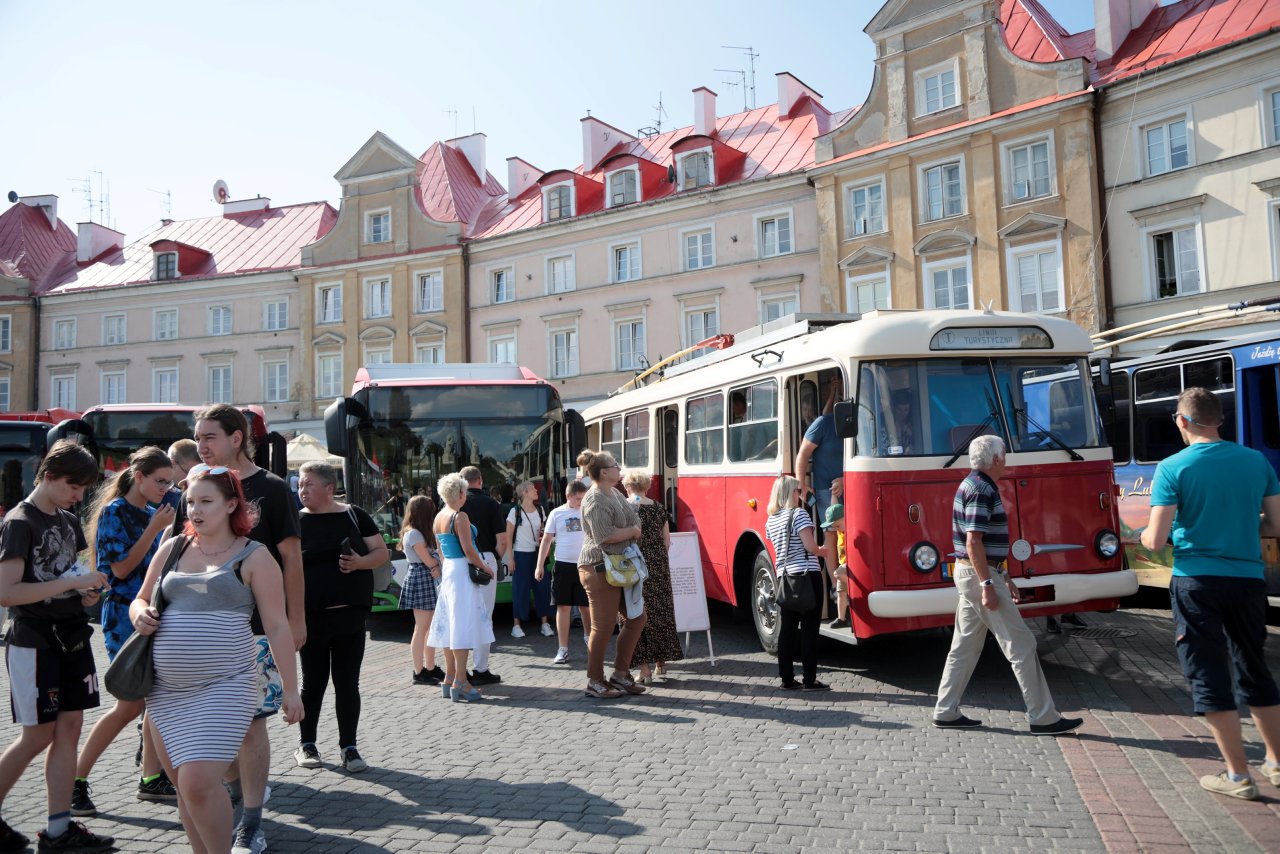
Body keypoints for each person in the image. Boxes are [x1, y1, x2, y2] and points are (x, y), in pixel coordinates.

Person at [131, 465, 302, 854]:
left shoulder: (255, 556)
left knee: (197, 783)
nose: (195, 509)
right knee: (184, 790)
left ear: (231, 505)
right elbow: (139, 598)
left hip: (226, 687)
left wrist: (291, 690)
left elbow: (277, 627)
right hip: (164, 693)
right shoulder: (172, 547)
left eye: (206, 501)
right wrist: (139, 613)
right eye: (190, 501)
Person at [172, 404, 303, 854]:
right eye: (197, 436)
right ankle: (233, 794)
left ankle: (251, 821)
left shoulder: (271, 488)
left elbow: (290, 557)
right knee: (215, 739)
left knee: (250, 728)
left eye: (208, 436)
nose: (200, 445)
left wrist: (296, 618)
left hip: (254, 630)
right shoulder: (193, 487)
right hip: (193, 642)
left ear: (236, 438)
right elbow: (178, 551)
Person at [1139, 387, 1280, 800]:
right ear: (1220, 420)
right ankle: (1275, 762)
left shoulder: (1172, 467)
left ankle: (1238, 776)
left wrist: (1148, 536)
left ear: (1183, 421)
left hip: (1196, 582)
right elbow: (1275, 525)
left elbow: (1156, 538)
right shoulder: (1255, 461)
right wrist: (1235, 527)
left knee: (1208, 674)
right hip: (1248, 581)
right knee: (1255, 666)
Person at [0, 440, 114, 852]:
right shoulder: (19, 522)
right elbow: (7, 593)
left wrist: (86, 594)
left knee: (69, 729)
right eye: (73, 487)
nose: (79, 496)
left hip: (71, 638)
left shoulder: (66, 521)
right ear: (48, 476)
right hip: (34, 642)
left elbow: (76, 574)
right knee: (37, 736)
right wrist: (71, 584)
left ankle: (59, 828)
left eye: (83, 489)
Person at [933, 434, 1082, 735]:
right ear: (997, 459)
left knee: (963, 647)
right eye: (1005, 455)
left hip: (974, 574)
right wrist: (989, 582)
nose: (1007, 460)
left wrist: (1002, 576)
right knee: (1022, 645)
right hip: (979, 576)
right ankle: (1043, 717)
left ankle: (946, 711)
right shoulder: (982, 489)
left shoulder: (972, 484)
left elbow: (977, 542)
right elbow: (974, 540)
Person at [72, 447, 179, 818]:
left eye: (170, 482)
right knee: (130, 704)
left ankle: (151, 779)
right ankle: (76, 780)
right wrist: (154, 530)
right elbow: (119, 570)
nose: (166, 488)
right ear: (139, 476)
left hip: (150, 614)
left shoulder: (153, 513)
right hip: (121, 615)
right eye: (160, 481)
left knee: (155, 698)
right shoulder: (115, 512)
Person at [295, 461, 387, 774]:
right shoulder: (295, 522)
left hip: (350, 617)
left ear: (329, 488)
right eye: (300, 485)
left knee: (347, 683)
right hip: (311, 619)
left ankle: (349, 747)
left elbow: (381, 552)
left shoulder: (354, 514)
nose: (302, 490)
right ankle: (307, 744)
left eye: (308, 484)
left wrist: (360, 563)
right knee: (313, 684)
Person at [576, 450, 647, 699]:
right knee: (603, 627)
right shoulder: (595, 499)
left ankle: (620, 674)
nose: (620, 469)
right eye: (616, 465)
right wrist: (632, 532)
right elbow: (604, 536)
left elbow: (632, 519)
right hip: (598, 567)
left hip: (620, 566)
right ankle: (594, 680)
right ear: (604, 472)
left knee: (637, 618)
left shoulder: (614, 493)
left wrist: (631, 528)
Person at [428, 473, 495, 702]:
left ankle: (449, 678)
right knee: (462, 627)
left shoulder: (439, 517)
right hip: (461, 571)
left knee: (450, 625)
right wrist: (486, 567)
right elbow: (469, 550)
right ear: (460, 493)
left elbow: (440, 550)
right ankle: (461, 681)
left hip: (449, 571)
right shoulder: (460, 516)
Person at [765, 475, 827, 691]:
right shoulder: (799, 514)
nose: (800, 494)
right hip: (806, 576)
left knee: (787, 630)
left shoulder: (771, 520)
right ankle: (810, 679)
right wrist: (824, 551)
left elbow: (778, 548)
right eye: (797, 491)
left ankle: (787, 678)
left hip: (784, 577)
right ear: (789, 493)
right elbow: (810, 547)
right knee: (810, 628)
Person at [622, 470, 683, 684]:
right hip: (658, 567)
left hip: (634, 568)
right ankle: (661, 663)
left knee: (636, 613)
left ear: (628, 486)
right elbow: (667, 542)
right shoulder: (658, 508)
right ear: (647, 487)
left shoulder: (627, 507)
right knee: (660, 613)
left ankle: (644, 669)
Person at [460, 466, 508, 686]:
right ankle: (481, 668)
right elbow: (503, 540)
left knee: (463, 615)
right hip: (485, 559)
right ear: (480, 480)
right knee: (484, 615)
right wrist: (494, 559)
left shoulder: (455, 503)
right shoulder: (491, 503)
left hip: (459, 562)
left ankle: (459, 671)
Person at [535, 480, 592, 664]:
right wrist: (540, 565)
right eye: (577, 499)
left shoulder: (587, 511)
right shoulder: (556, 513)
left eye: (583, 498)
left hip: (584, 564)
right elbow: (546, 541)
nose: (580, 502)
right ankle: (563, 648)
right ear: (568, 496)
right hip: (563, 565)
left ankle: (590, 640)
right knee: (563, 607)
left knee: (586, 607)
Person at [399, 495, 445, 686]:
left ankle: (429, 667)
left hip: (423, 577)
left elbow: (433, 561)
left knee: (427, 628)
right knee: (422, 628)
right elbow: (430, 561)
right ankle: (419, 671)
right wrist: (437, 562)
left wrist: (436, 564)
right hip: (421, 578)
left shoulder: (416, 533)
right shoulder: (415, 534)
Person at [794, 375, 843, 527]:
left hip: (849, 485)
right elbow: (803, 453)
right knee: (832, 532)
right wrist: (801, 484)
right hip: (826, 489)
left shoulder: (862, 423)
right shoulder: (822, 423)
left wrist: (846, 480)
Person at [505, 480, 552, 639]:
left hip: (538, 554)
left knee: (542, 588)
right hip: (521, 554)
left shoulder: (540, 510)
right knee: (520, 589)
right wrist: (510, 559)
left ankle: (545, 623)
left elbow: (544, 532)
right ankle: (516, 626)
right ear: (524, 493)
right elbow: (508, 537)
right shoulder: (515, 512)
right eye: (532, 489)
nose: (536, 491)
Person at [820, 503, 851, 631]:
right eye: (834, 527)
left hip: (849, 565)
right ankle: (841, 618)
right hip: (842, 563)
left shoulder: (850, 530)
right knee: (840, 593)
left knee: (837, 574)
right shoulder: (840, 531)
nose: (837, 529)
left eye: (837, 525)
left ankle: (854, 589)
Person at [890, 389, 915, 455]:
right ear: (894, 408)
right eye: (899, 409)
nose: (902, 413)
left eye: (906, 410)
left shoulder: (913, 427)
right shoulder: (886, 425)